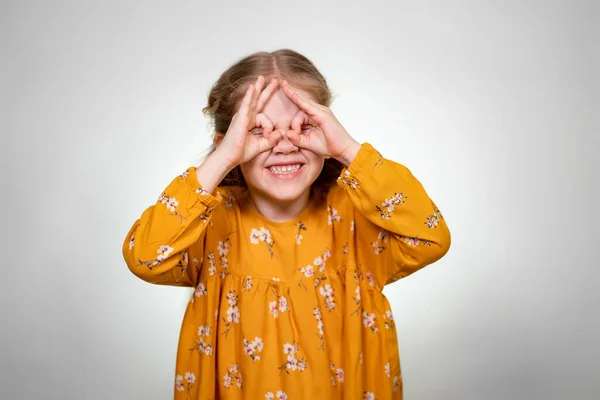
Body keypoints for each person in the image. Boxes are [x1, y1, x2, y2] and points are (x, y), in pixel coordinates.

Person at [122, 49, 451, 400]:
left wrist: (349, 151)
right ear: (227, 144)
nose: (281, 144)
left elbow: (430, 237)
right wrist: (220, 162)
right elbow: (144, 256)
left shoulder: (355, 219)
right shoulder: (209, 223)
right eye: (257, 129)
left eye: (302, 125)